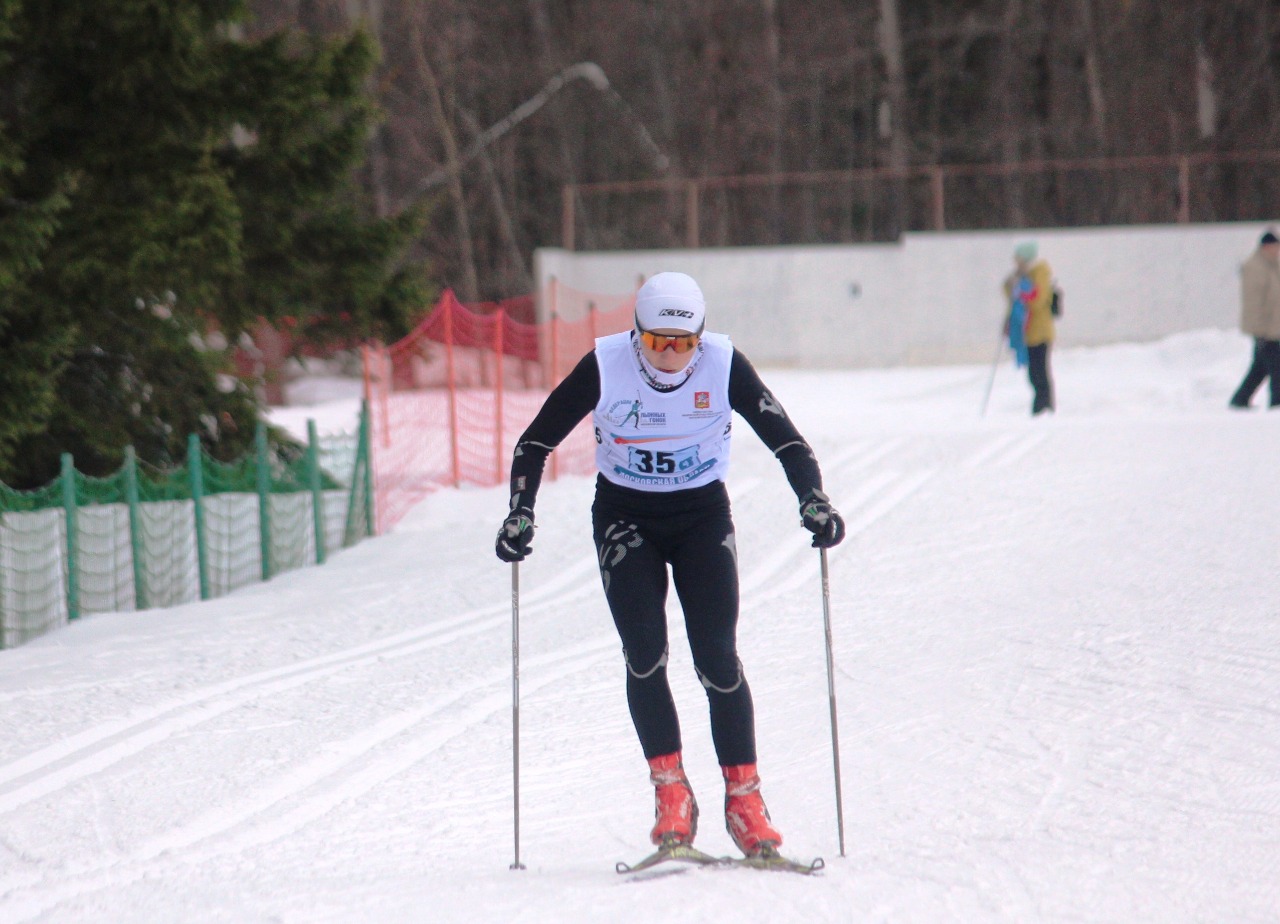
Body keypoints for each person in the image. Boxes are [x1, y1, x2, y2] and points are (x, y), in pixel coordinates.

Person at [494, 271, 846, 858]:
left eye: (684, 343)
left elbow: (786, 439)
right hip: (625, 519)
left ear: (700, 338)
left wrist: (813, 498)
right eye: (658, 342)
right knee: (645, 653)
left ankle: (745, 801)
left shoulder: (722, 363)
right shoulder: (606, 363)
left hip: (702, 517)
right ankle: (672, 794)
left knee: (716, 657)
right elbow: (535, 443)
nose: (671, 355)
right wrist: (519, 513)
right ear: (637, 334)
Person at [1002, 241, 1056, 415]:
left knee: (1039, 371)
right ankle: (1042, 406)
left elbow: (1037, 299)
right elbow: (1011, 296)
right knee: (1034, 372)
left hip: (1040, 331)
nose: (1016, 263)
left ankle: (1043, 406)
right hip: (1029, 332)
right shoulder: (1026, 274)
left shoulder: (1039, 272)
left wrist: (1021, 290)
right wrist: (1011, 284)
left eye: (1019, 259)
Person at [1228, 229, 1280, 410]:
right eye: (1275, 246)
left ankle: (1240, 400)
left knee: (1260, 369)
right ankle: (1277, 405)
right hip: (1266, 330)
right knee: (1277, 368)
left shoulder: (1271, 265)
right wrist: (1259, 332)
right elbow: (1253, 303)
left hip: (1273, 328)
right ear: (1266, 247)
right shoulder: (1256, 268)